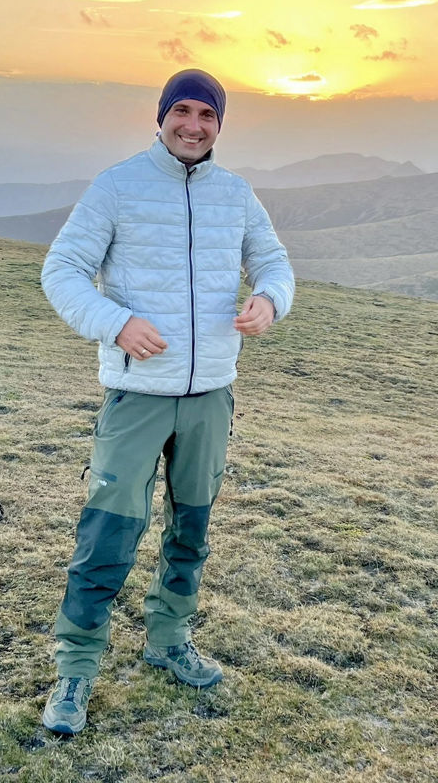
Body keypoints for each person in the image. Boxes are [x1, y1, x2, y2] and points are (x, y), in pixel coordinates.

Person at [38, 68, 295, 734]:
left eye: (207, 115)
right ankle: (76, 668)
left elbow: (273, 262)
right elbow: (62, 270)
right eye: (182, 111)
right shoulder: (117, 186)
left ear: (219, 125)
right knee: (109, 532)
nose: (193, 125)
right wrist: (115, 322)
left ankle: (169, 638)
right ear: (161, 117)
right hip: (137, 393)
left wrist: (270, 299)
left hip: (210, 394)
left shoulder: (236, 195)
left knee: (192, 528)